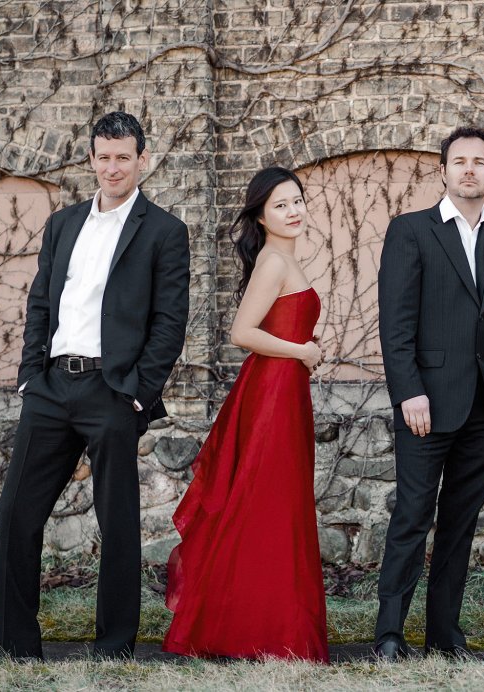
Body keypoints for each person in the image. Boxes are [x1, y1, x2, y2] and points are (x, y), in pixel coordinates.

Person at [0, 111, 190, 659]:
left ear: (142, 160)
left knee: (118, 523)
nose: (113, 167)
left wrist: (137, 393)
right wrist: (32, 376)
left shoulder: (165, 231)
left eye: (123, 156)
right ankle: (12, 646)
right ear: (91, 159)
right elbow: (41, 303)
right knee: (17, 515)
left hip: (113, 390)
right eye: (103, 156)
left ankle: (115, 646)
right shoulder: (64, 224)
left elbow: (171, 322)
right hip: (52, 387)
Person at [373, 126, 484, 660]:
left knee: (460, 524)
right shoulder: (411, 232)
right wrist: (408, 393)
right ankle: (390, 633)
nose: (469, 169)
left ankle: (443, 634)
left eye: (479, 162)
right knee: (413, 517)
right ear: (442, 171)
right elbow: (395, 325)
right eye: (459, 161)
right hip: (426, 406)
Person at [162, 167, 329, 663]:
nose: (293, 210)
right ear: (261, 214)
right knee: (264, 505)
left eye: (297, 200)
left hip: (285, 393)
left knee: (276, 505)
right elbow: (242, 332)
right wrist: (301, 352)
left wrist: (302, 352)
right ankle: (257, 630)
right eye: (280, 205)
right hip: (272, 395)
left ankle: (271, 626)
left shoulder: (284, 260)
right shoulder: (274, 262)